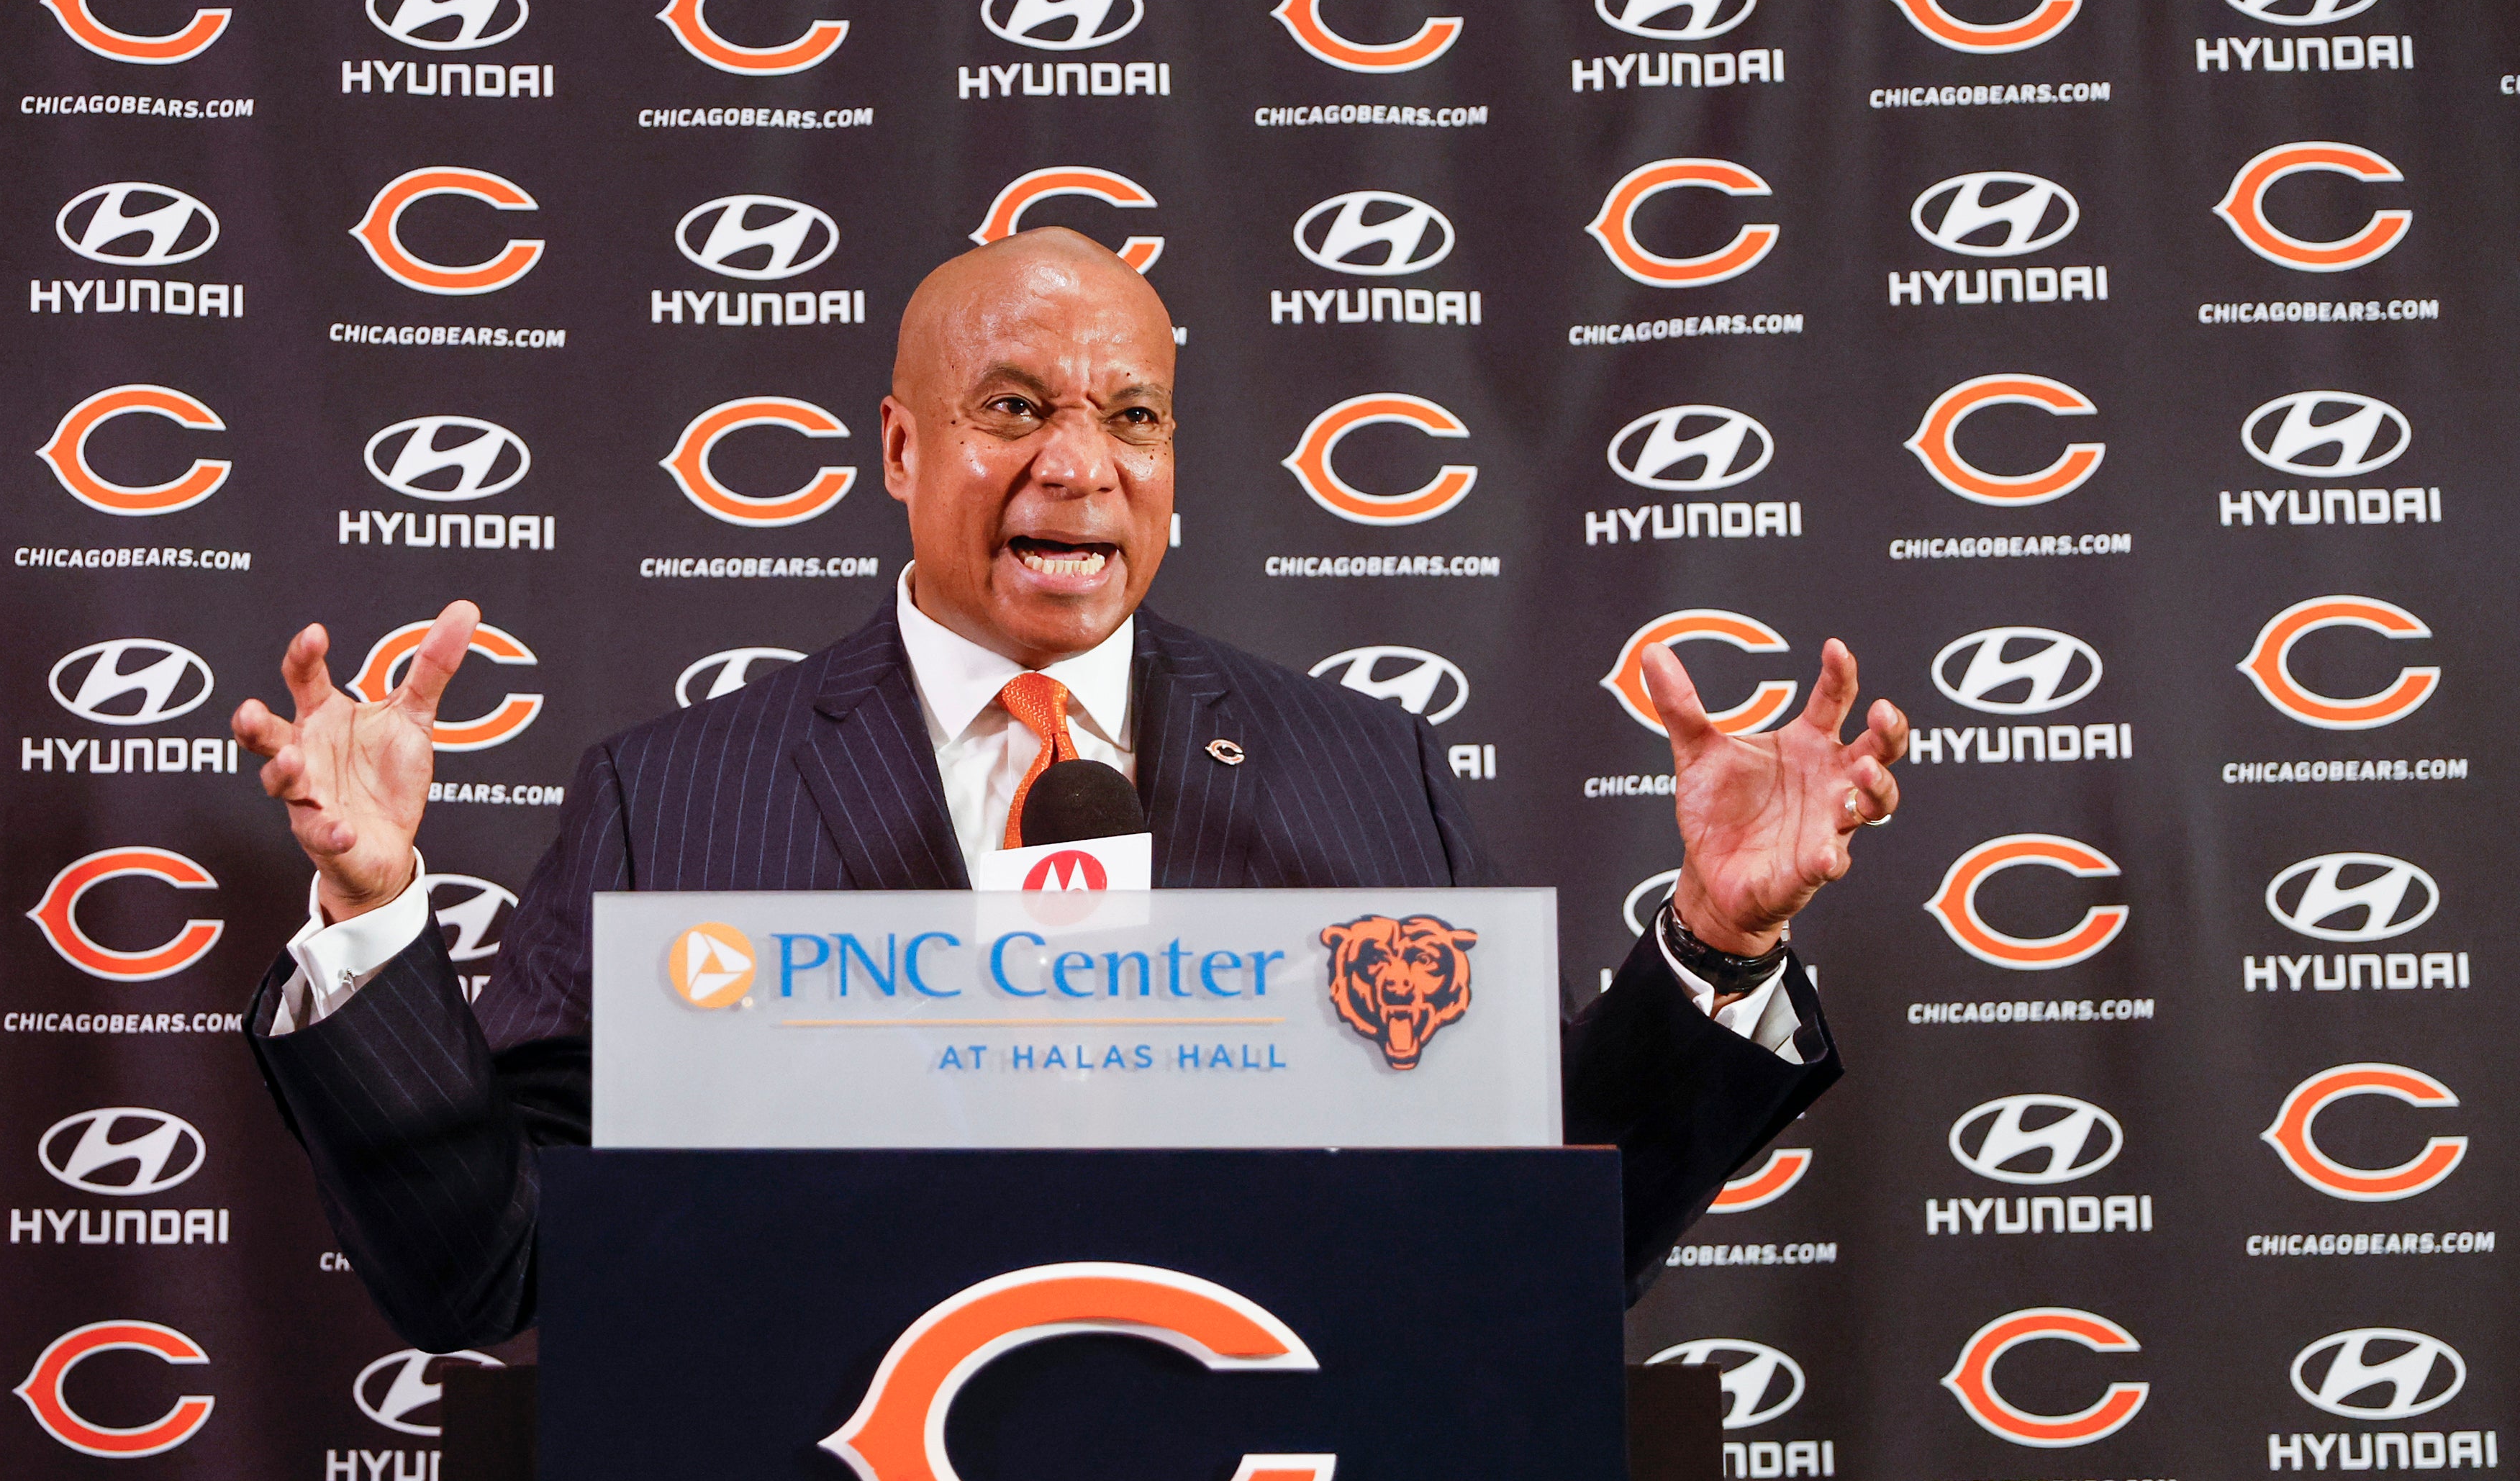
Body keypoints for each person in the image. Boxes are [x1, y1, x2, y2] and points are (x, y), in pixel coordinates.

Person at [235, 228, 1907, 1351]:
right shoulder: (673, 796)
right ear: (897, 450)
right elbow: (487, 1266)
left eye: (1130, 416)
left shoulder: (1359, 769)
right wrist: (380, 917)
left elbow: (1531, 1239)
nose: (1076, 467)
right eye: (1013, 409)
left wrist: (1709, 943)